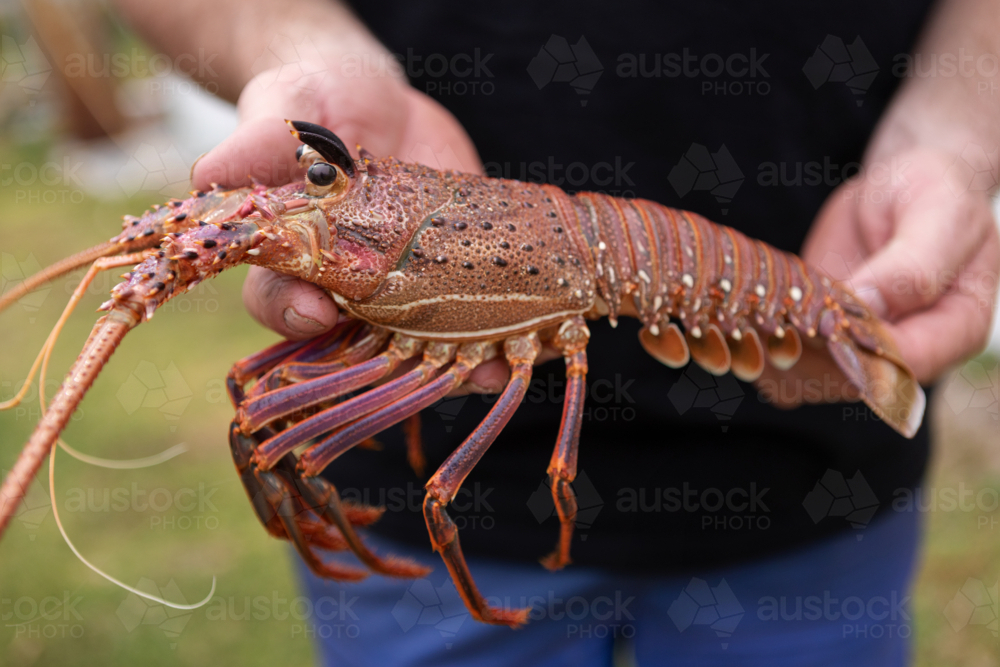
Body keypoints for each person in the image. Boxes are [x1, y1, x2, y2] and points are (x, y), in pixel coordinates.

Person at [114, 1, 999, 664]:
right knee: (262, 414)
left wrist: (953, 130)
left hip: (821, 490)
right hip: (409, 545)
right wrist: (298, 48)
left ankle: (849, 332)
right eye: (320, 179)